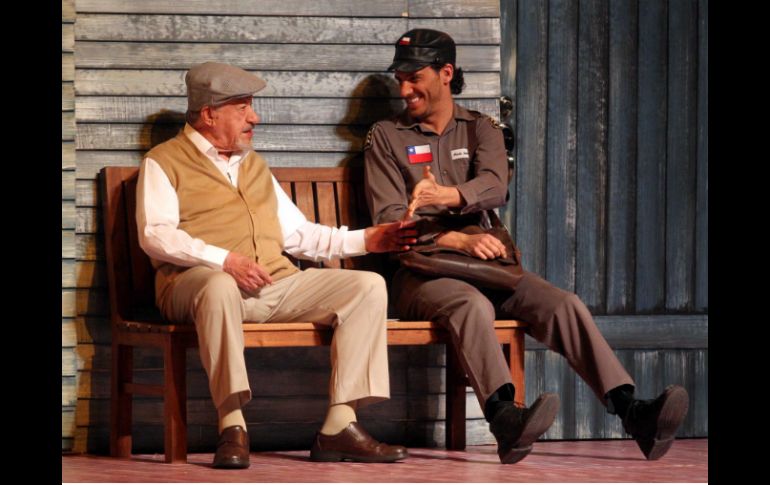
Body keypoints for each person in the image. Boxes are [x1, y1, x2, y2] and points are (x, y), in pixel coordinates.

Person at [363, 29, 689, 464]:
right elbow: (388, 222)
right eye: (399, 78)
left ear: (445, 73)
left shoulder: (482, 128)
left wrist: (447, 197)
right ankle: (504, 419)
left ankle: (633, 411)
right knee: (469, 304)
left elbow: (496, 186)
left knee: (562, 303)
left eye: (413, 77)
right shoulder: (386, 136)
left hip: (487, 267)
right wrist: (457, 236)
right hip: (421, 273)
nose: (404, 89)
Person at [136, 61, 417, 468]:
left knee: (367, 286)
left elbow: (299, 235)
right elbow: (156, 236)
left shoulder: (254, 165)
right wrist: (224, 261)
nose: (255, 117)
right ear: (209, 113)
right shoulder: (164, 162)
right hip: (197, 288)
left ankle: (340, 425)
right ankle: (232, 425)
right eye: (243, 107)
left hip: (270, 285)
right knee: (217, 286)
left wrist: (367, 239)